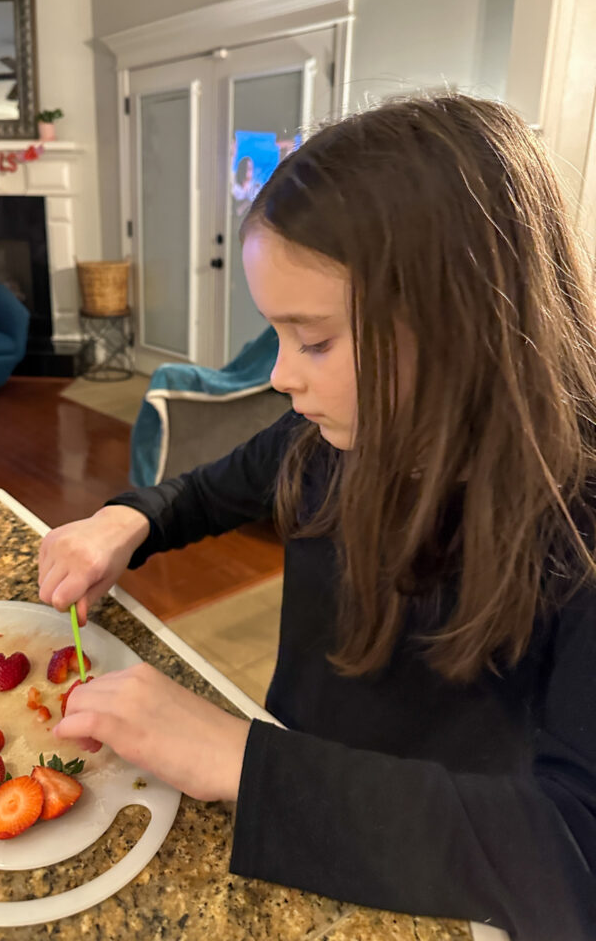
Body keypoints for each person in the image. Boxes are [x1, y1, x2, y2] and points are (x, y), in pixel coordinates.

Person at [38, 93, 596, 941]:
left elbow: (568, 856)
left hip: (441, 887)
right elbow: (203, 491)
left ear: (463, 321)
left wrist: (239, 758)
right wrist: (128, 521)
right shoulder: (329, 442)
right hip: (298, 791)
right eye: (276, 338)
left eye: (315, 341)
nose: (281, 379)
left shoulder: (576, 517)